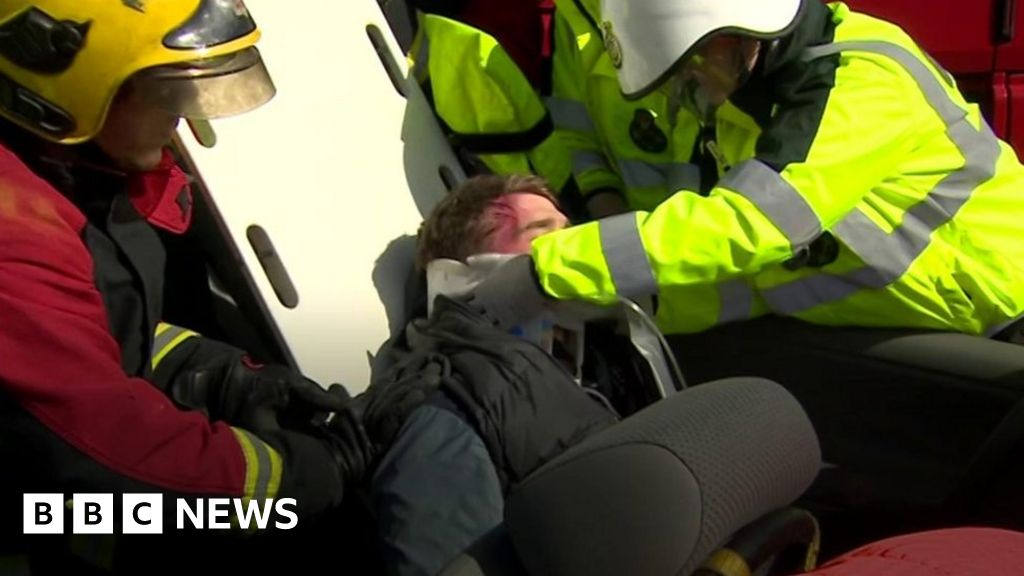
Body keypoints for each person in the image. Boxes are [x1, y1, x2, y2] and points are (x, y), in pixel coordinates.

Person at [0, 1, 420, 571]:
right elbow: (105, 464)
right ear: (67, 89)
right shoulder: (15, 235)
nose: (180, 121)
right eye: (164, 95)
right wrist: (291, 486)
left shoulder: (66, 178)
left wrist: (223, 376)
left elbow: (101, 330)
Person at [467, 0, 1024, 341]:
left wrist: (544, 269)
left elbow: (749, 227)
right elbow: (761, 283)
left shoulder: (863, 80)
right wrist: (637, 306)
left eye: (690, 68)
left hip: (1004, 329)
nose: (685, 90)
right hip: (919, 324)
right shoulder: (746, 106)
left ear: (733, 38)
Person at [371, 173, 673, 576]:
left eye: (569, 231)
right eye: (540, 232)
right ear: (464, 268)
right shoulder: (448, 408)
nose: (571, 247)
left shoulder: (611, 361)